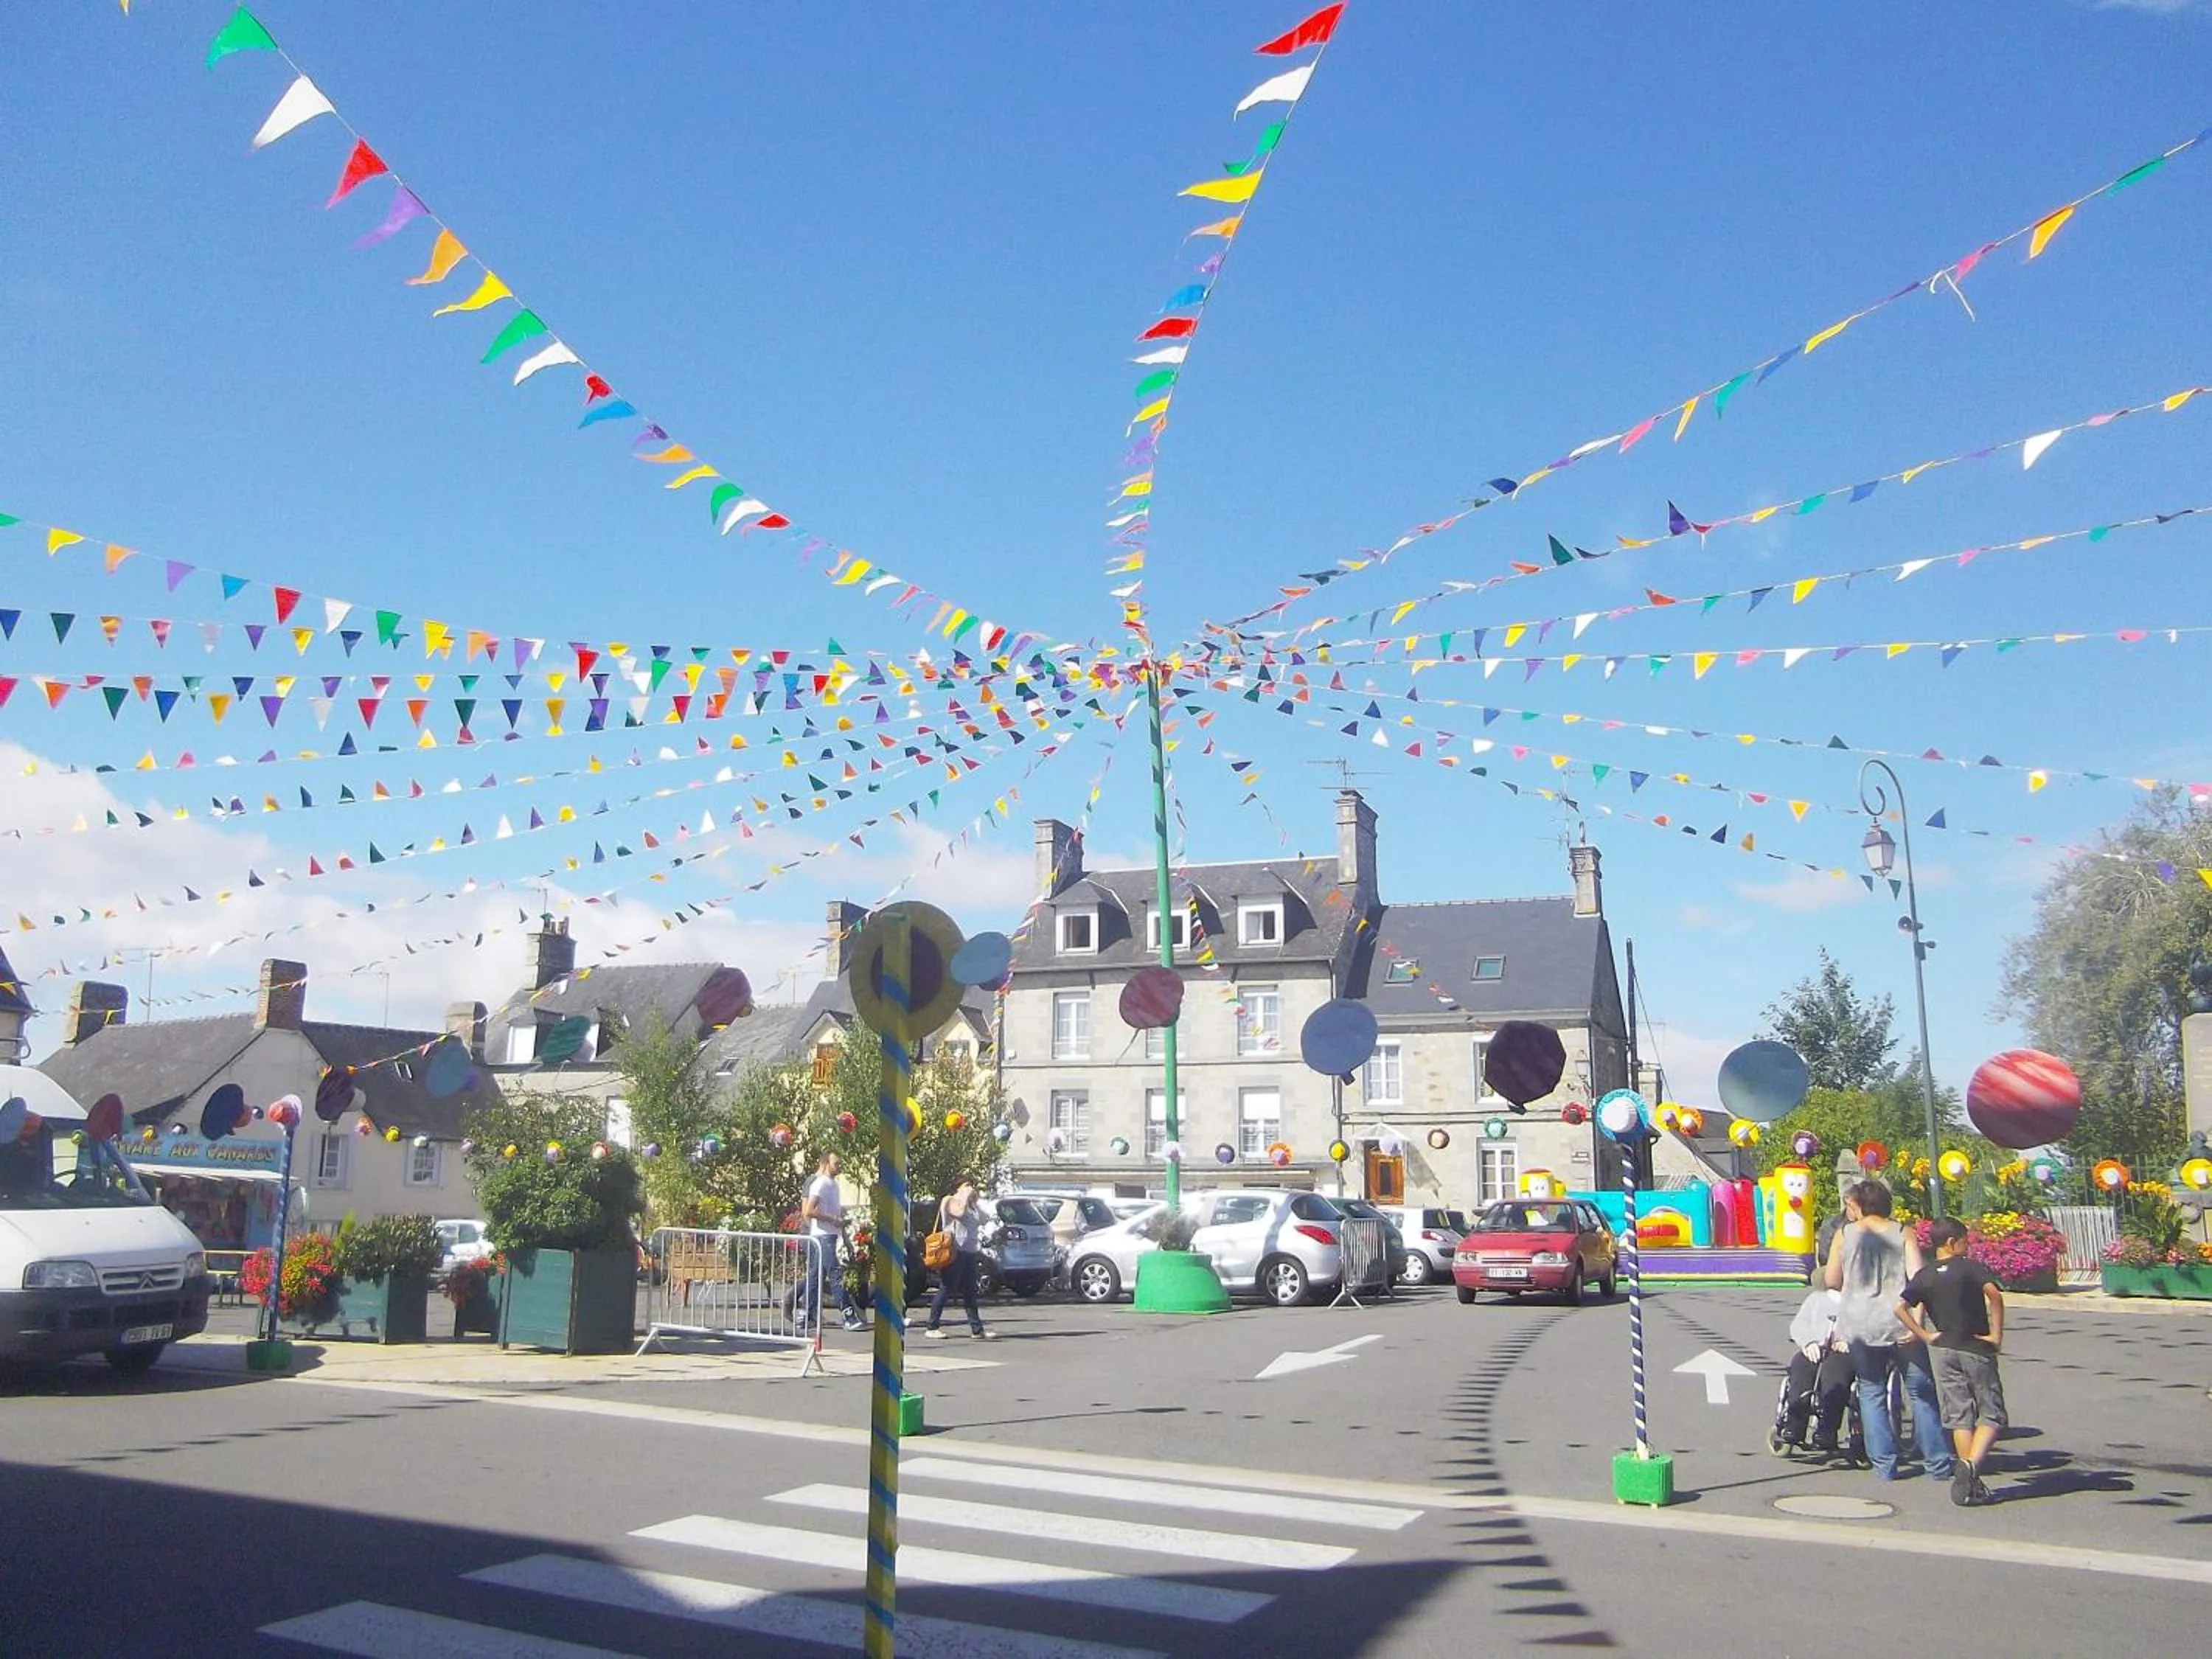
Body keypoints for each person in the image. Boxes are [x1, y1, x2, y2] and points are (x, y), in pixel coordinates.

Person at [1824, 1178, 1952, 1482]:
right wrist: (1918, 1321)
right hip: (1899, 1320)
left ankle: (1885, 1465)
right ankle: (1937, 1463)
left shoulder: (1844, 1235)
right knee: (1921, 1391)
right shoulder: (1902, 1232)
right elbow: (1919, 1280)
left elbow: (1831, 1279)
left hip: (1859, 1322)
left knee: (1871, 1390)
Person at [1898, 1217, 2007, 1507]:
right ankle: (1970, 1465)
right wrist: (1996, 1334)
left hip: (1942, 1347)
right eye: (1964, 1240)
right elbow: (1994, 1295)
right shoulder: (1971, 1268)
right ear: (1951, 1242)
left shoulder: (1925, 1274)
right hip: (1974, 1345)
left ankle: (1969, 1478)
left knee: (1959, 1415)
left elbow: (1900, 1306)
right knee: (1991, 1413)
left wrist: (1923, 1334)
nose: (1967, 1246)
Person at [1774, 1285, 1853, 1456]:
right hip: (1813, 1349)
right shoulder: (1816, 1299)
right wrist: (1808, 1342)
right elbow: (1799, 1324)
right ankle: (1794, 1425)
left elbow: (1866, 1329)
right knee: (1800, 1369)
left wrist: (1848, 1342)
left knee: (1835, 1376)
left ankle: (1827, 1430)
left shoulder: (1859, 1301)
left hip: (1841, 1353)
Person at [923, 1175, 995, 1341]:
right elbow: (959, 1214)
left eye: (971, 1185)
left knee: (970, 1291)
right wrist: (964, 1197)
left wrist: (975, 1202)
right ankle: (932, 1326)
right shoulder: (950, 1200)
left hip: (969, 1252)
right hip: (955, 1251)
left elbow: (985, 1219)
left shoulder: (970, 1205)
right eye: (966, 1185)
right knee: (947, 1287)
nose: (970, 1188)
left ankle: (977, 1330)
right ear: (958, 1187)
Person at [800, 1150, 863, 1334]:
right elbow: (809, 1212)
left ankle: (806, 1315)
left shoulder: (834, 1185)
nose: (840, 1167)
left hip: (830, 1235)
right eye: (836, 1163)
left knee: (815, 1276)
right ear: (826, 1164)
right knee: (835, 1274)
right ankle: (848, 1315)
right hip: (821, 1236)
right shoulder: (819, 1185)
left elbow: (836, 1214)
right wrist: (832, 1220)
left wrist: (845, 1238)